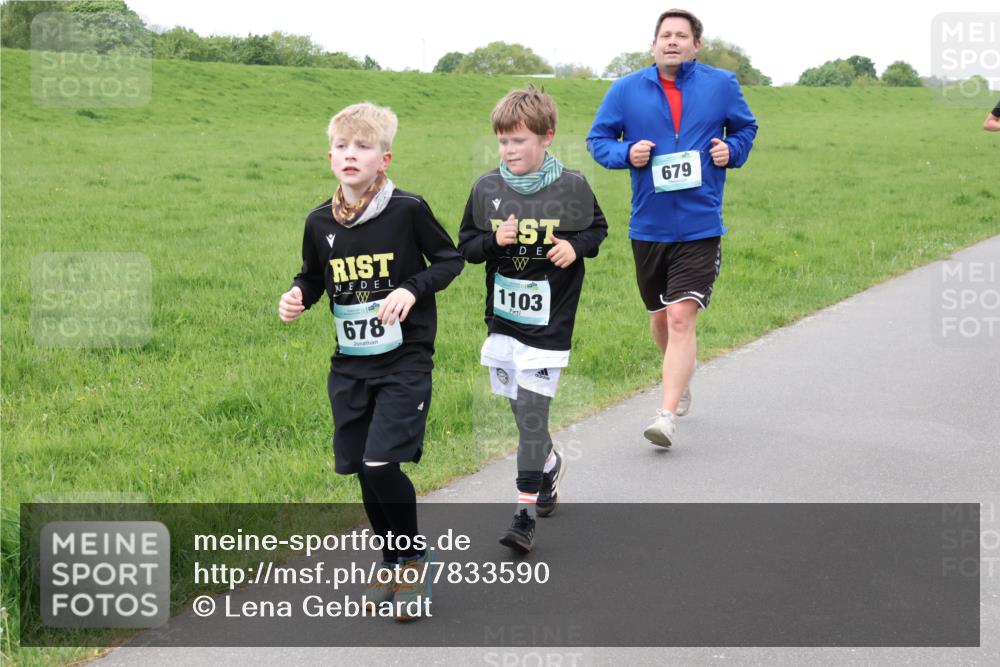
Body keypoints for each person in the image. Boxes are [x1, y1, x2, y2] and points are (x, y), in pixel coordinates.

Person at [278, 102, 463, 620]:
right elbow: (314, 276)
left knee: (383, 462)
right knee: (362, 468)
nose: (350, 155)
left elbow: (449, 260)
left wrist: (410, 286)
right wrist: (297, 295)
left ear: (385, 158)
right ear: (330, 156)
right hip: (350, 362)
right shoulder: (319, 221)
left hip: (405, 359)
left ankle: (413, 567)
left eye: (363, 147)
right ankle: (391, 559)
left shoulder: (408, 209)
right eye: (342, 147)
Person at [587, 8, 757, 448]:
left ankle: (665, 414)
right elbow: (598, 140)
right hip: (649, 225)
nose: (673, 42)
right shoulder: (626, 90)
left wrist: (730, 150)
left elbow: (745, 128)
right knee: (661, 319)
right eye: (666, 35)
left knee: (682, 317)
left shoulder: (721, 85)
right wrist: (628, 154)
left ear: (696, 45)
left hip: (701, 223)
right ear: (654, 43)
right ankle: (680, 377)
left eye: (682, 36)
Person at [459, 86, 607, 553]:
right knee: (520, 411)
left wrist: (574, 246)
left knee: (531, 414)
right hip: (503, 323)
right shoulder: (487, 189)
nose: (509, 150)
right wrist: (493, 242)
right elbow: (465, 247)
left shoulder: (572, 186)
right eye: (503, 141)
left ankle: (522, 517)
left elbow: (596, 230)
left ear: (547, 137)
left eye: (518, 141)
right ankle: (547, 463)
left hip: (549, 324)